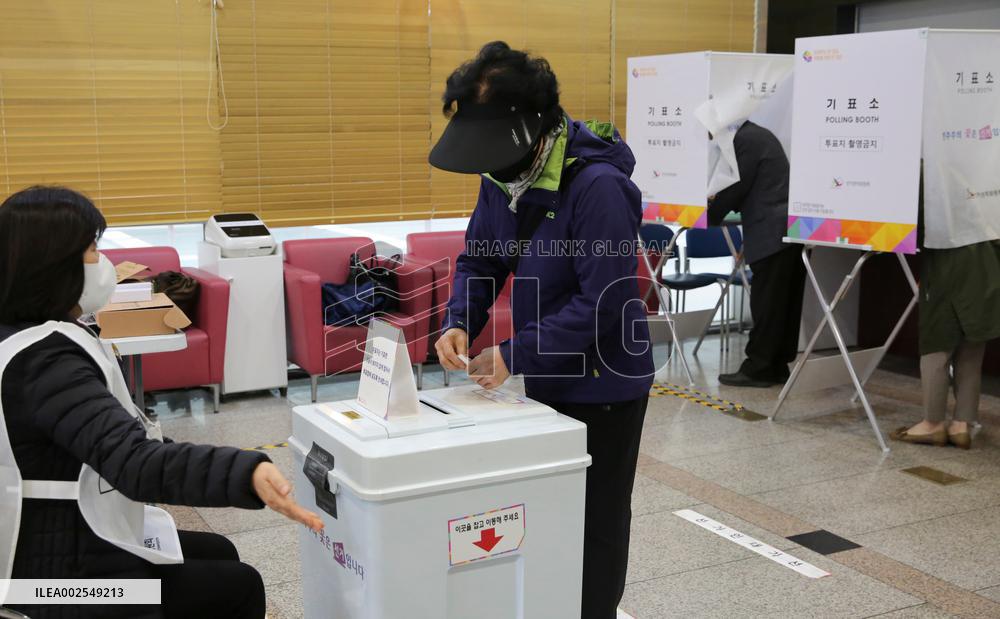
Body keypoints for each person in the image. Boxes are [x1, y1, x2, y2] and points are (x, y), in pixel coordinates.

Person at [0, 186, 324, 619]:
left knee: (220, 550)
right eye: (93, 250)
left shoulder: (23, 336)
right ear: (53, 267)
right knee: (238, 586)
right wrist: (247, 471)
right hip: (53, 590)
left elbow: (116, 436)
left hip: (54, 538)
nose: (104, 263)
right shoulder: (45, 361)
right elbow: (133, 463)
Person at [428, 42, 654, 619]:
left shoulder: (597, 186)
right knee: (550, 514)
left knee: (596, 526)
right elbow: (481, 258)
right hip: (549, 372)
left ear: (529, 127)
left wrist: (514, 352)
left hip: (604, 385)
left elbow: (602, 298)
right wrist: (460, 320)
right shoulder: (503, 174)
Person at [707, 120, 806, 387]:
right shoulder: (757, 135)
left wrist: (706, 214)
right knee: (783, 303)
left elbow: (734, 188)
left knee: (767, 304)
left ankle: (758, 367)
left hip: (771, 230)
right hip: (788, 228)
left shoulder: (745, 140)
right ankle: (777, 365)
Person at [890, 239, 1000, 449]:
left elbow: (924, 224)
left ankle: (932, 423)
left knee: (936, 345)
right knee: (971, 350)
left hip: (947, 263)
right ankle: (961, 426)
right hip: (988, 265)